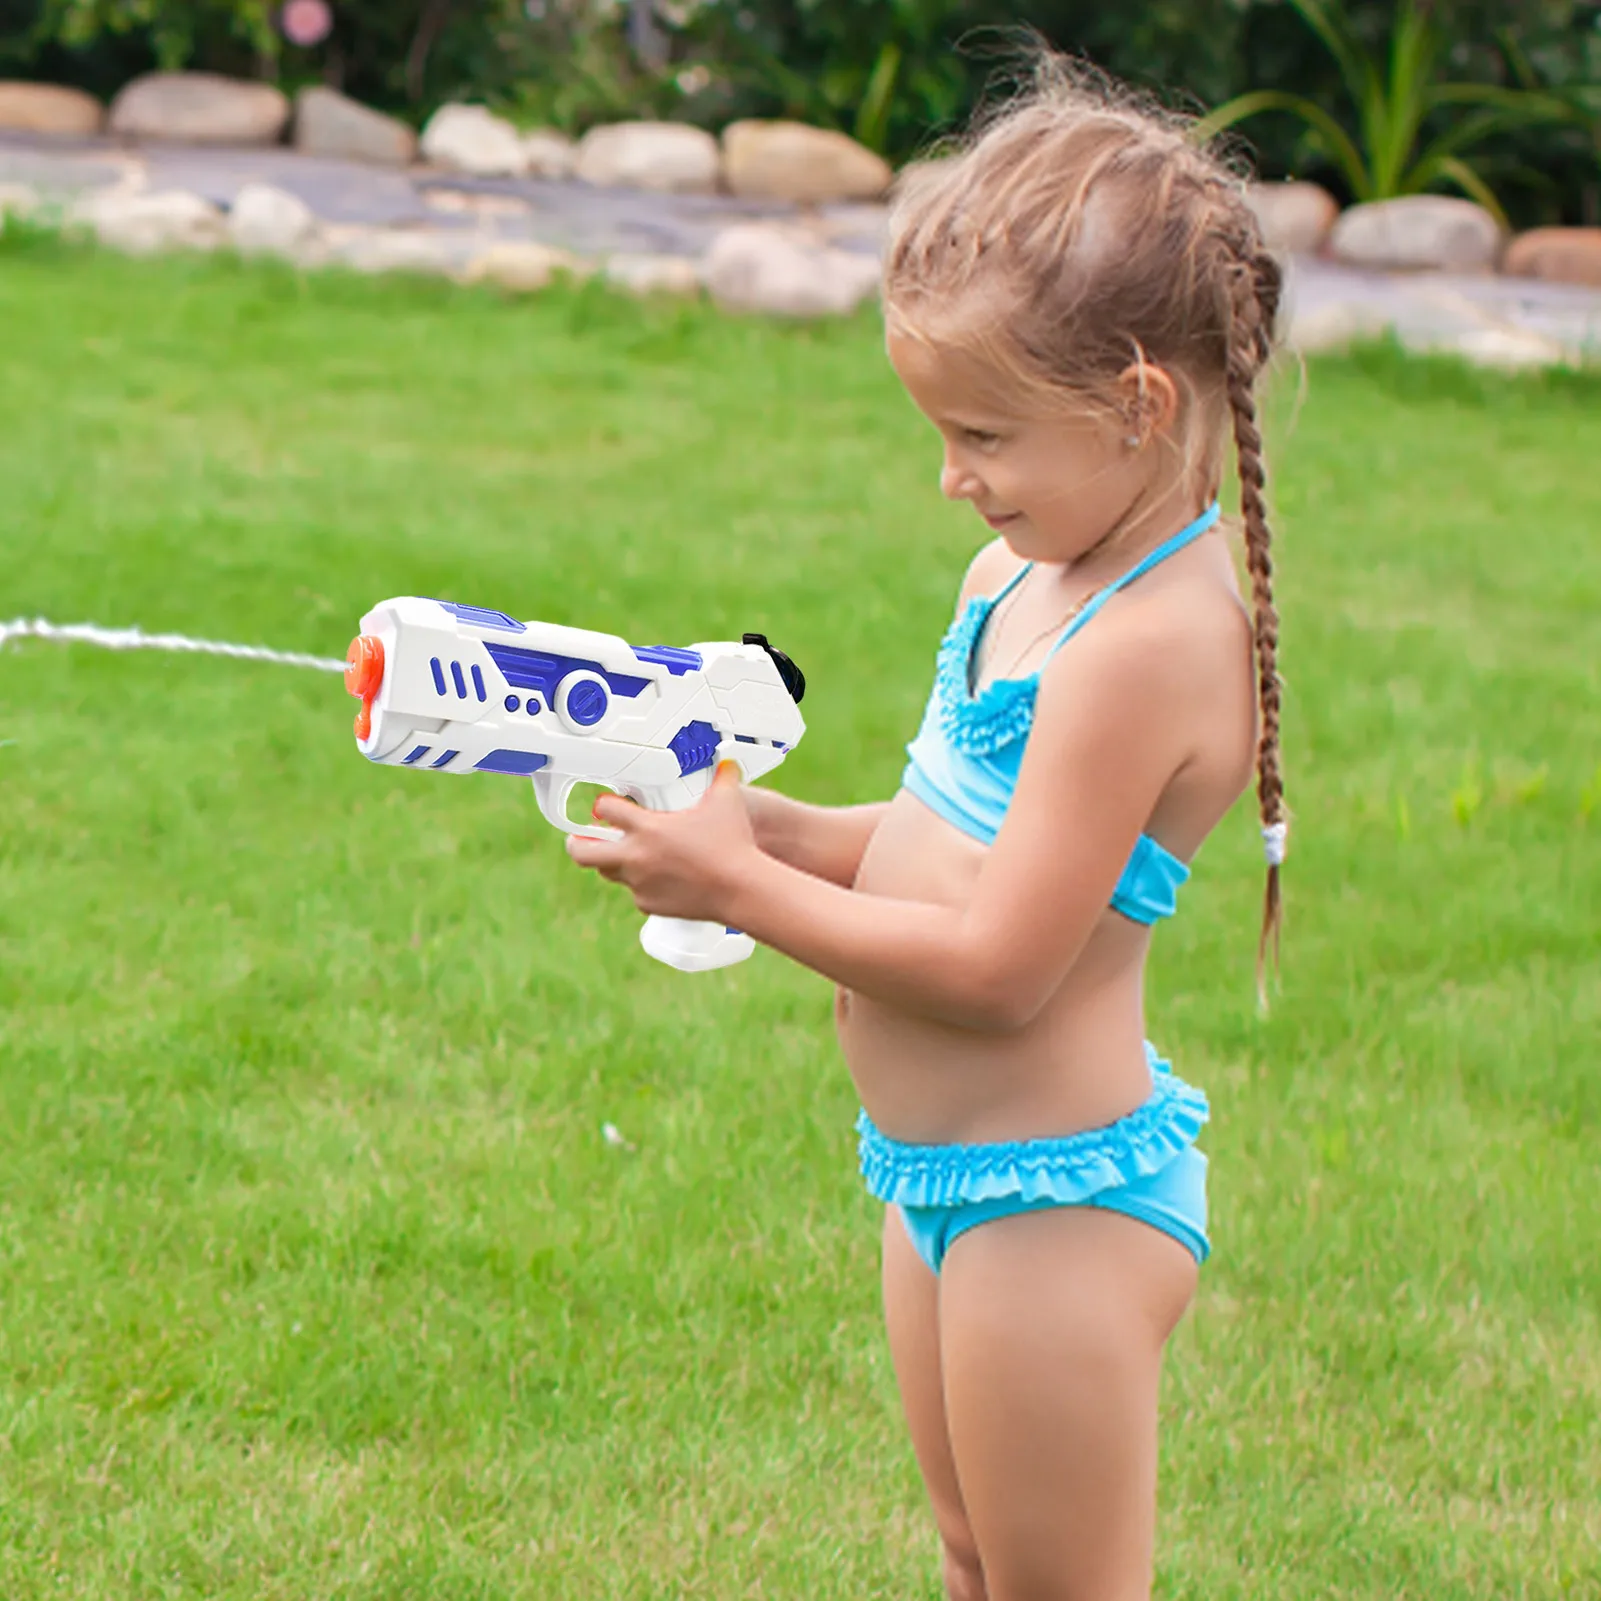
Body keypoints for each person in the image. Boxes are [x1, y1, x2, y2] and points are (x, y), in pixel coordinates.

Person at [566, 52, 1288, 1601]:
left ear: (1138, 404)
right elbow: (934, 837)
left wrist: (740, 893)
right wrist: (748, 824)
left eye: (984, 437)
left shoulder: (1153, 646)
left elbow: (996, 966)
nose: (952, 479)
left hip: (1060, 1203)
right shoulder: (1018, 585)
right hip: (936, 1180)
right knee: (972, 1559)